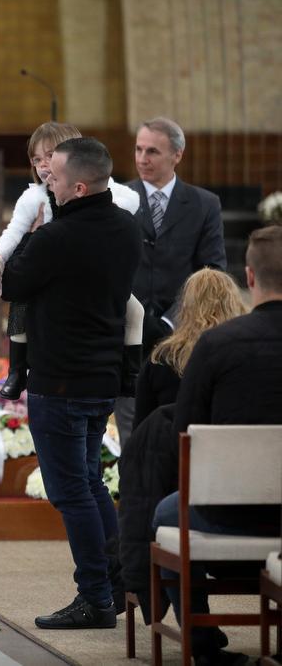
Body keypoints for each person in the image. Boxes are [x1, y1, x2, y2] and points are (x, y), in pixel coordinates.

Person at [0, 137, 142, 629]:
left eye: (54, 177)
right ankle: (118, 581)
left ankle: (95, 598)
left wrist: (33, 238)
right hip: (102, 375)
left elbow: (12, 284)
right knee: (90, 482)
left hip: (59, 380)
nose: (46, 182)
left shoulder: (57, 237)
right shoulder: (126, 228)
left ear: (78, 186)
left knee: (70, 491)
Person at [152, 225, 282, 666]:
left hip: (228, 512)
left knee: (166, 511)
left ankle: (203, 642)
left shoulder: (217, 344)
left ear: (249, 276)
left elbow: (183, 436)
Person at [117, 268, 247, 625]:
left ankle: (197, 625)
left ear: (185, 307)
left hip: (175, 488)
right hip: (246, 486)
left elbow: (141, 438)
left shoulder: (162, 360)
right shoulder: (244, 360)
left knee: (168, 517)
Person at [0, 121, 145, 401]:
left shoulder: (109, 195)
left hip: (90, 281)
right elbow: (13, 232)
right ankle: (17, 370)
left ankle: (131, 372)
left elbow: (129, 201)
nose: (44, 166)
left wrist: (102, 215)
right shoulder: (33, 197)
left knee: (136, 311)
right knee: (20, 310)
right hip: (48, 282)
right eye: (36, 160)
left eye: (50, 157)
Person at [114, 117, 227, 443]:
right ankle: (132, 489)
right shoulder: (117, 200)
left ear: (177, 154)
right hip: (126, 335)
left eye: (152, 151)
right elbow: (106, 269)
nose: (142, 159)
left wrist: (168, 321)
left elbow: (212, 272)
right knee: (131, 430)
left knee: (177, 428)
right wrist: (137, 317)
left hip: (182, 337)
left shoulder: (205, 204)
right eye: (138, 149)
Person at [132, 268, 247, 429]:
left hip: (171, 449)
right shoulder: (244, 356)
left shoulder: (162, 359)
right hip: (232, 448)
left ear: (185, 307)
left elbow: (141, 427)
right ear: (234, 303)